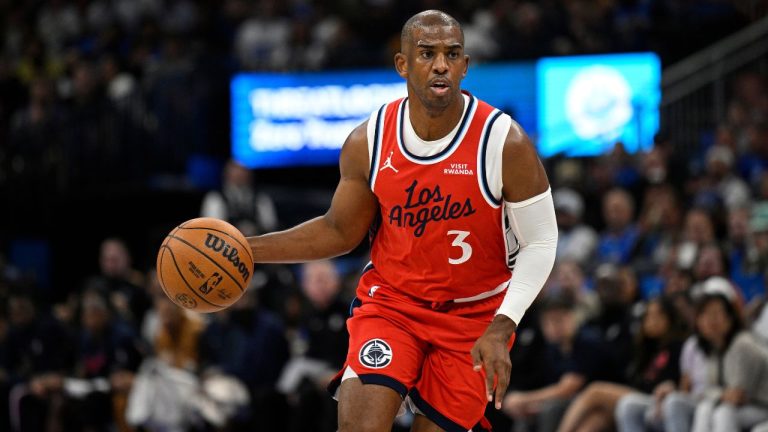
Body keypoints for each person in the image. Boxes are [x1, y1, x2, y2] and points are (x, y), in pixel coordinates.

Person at [245, 10, 558, 432]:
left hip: (473, 316)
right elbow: (339, 230)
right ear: (403, 64)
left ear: (466, 66)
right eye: (427, 53)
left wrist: (503, 326)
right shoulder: (368, 141)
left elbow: (541, 242)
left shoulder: (504, 142)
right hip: (392, 305)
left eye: (452, 54)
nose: (441, 64)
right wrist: (247, 250)